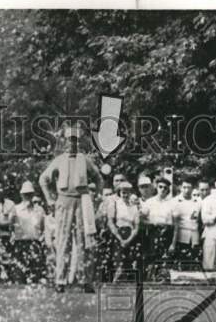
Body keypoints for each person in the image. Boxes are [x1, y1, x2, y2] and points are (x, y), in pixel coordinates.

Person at [39, 122, 103, 292]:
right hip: (63, 200)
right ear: (64, 142)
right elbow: (43, 179)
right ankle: (60, 280)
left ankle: (84, 280)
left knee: (83, 242)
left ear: (79, 142)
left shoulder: (85, 160)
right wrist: (50, 200)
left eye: (75, 140)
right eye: (69, 140)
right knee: (63, 241)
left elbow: (98, 178)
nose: (72, 143)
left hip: (81, 200)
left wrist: (96, 197)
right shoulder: (59, 160)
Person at [141, 175, 176, 280]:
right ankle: (151, 279)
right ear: (156, 187)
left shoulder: (171, 203)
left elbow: (175, 224)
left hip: (167, 232)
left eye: (165, 188)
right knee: (152, 257)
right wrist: (152, 223)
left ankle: (162, 279)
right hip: (153, 232)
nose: (162, 190)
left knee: (165, 258)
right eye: (160, 187)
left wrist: (173, 242)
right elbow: (141, 219)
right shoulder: (149, 202)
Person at [105, 180, 141, 282]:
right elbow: (110, 222)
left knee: (129, 261)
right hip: (118, 233)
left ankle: (125, 282)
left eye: (128, 192)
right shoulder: (115, 204)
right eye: (123, 192)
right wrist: (120, 238)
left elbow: (136, 226)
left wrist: (129, 239)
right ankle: (117, 279)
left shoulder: (134, 206)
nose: (125, 195)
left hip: (131, 235)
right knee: (118, 260)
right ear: (119, 193)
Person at [169, 177, 202, 270]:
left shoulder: (198, 202)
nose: (186, 190)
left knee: (194, 262)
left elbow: (199, 219)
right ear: (180, 187)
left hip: (194, 235)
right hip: (181, 235)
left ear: (193, 188)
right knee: (182, 262)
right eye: (184, 187)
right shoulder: (175, 201)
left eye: (189, 187)